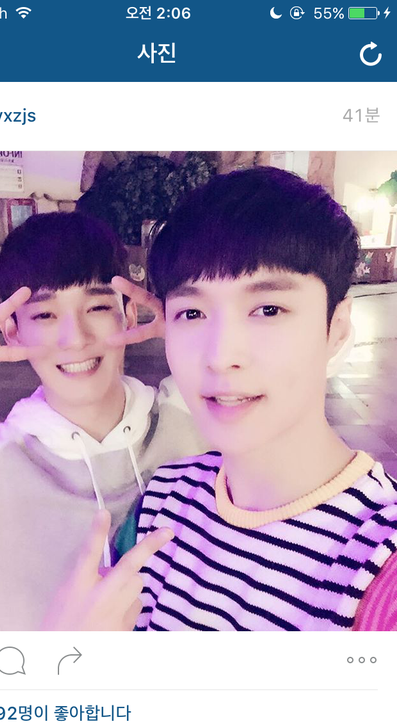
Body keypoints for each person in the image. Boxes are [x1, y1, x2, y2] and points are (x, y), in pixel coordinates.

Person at [113, 167, 397, 631]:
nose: (221, 357)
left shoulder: (379, 565)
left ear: (337, 328)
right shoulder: (159, 506)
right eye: (192, 313)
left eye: (268, 309)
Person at [0, 211, 206, 630]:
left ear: (129, 314)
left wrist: (194, 329)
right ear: (13, 332)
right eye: (45, 316)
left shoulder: (200, 413)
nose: (76, 339)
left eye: (97, 307)